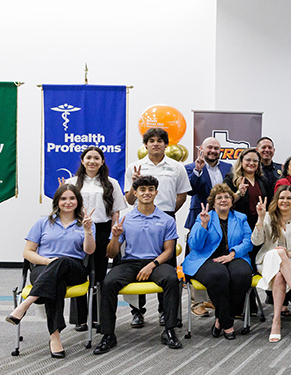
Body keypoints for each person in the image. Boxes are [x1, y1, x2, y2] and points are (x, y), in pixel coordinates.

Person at [94, 174, 183, 354]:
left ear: (156, 192)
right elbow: (111, 253)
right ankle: (108, 334)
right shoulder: (125, 219)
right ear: (135, 193)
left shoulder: (167, 219)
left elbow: (169, 251)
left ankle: (169, 330)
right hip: (130, 262)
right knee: (108, 283)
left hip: (156, 262)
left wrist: (152, 265)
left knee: (172, 279)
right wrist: (116, 237)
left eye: (150, 189)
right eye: (142, 190)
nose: (146, 193)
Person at [8, 184, 95, 358]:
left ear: (78, 201)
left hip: (74, 268)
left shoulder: (85, 223)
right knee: (56, 284)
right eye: (63, 198)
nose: (68, 202)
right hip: (44, 267)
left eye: (72, 198)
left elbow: (89, 251)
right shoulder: (43, 222)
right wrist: (48, 261)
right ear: (57, 201)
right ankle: (55, 337)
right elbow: (27, 252)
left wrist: (87, 231)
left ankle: (25, 304)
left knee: (62, 261)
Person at [124, 127, 190, 327]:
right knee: (137, 263)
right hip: (138, 219)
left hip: (165, 218)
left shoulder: (177, 167)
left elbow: (182, 195)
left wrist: (166, 215)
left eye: (160, 140)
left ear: (166, 144)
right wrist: (135, 183)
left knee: (167, 265)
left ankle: (166, 312)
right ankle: (137, 311)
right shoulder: (135, 167)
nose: (155, 144)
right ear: (145, 144)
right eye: (151, 140)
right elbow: (128, 200)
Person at [181, 183, 254, 341]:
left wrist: (233, 254)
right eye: (219, 197)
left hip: (234, 256)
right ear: (213, 202)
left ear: (232, 201)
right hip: (206, 258)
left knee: (242, 275)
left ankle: (220, 319)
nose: (223, 200)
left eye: (227, 197)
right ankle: (228, 324)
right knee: (218, 275)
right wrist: (203, 225)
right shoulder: (204, 217)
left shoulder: (241, 218)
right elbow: (195, 245)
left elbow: (248, 241)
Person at [64, 145, 123, 331]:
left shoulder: (111, 183)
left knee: (98, 274)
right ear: (82, 160)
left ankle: (97, 317)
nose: (92, 161)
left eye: (96, 158)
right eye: (88, 157)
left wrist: (114, 232)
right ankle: (80, 319)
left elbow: (115, 211)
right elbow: (65, 208)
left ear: (102, 162)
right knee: (78, 272)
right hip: (77, 228)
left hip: (103, 229)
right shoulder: (72, 182)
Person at [251, 186, 291, 342]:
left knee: (279, 275)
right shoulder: (267, 216)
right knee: (278, 252)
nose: (285, 201)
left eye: (289, 198)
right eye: (282, 198)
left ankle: (276, 321)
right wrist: (260, 218)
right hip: (267, 260)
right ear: (276, 200)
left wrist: (290, 254)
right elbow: (256, 241)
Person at [185, 137, 232, 230]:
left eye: (216, 148)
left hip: (224, 216)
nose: (213, 151)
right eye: (209, 147)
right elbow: (191, 191)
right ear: (201, 149)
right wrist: (198, 170)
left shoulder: (228, 167)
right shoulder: (190, 167)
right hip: (200, 215)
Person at [225, 147, 269, 232]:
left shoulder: (262, 180)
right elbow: (224, 202)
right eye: (248, 160)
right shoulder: (231, 178)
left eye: (255, 161)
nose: (251, 163)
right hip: (239, 224)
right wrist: (239, 193)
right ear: (241, 161)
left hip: (259, 223)